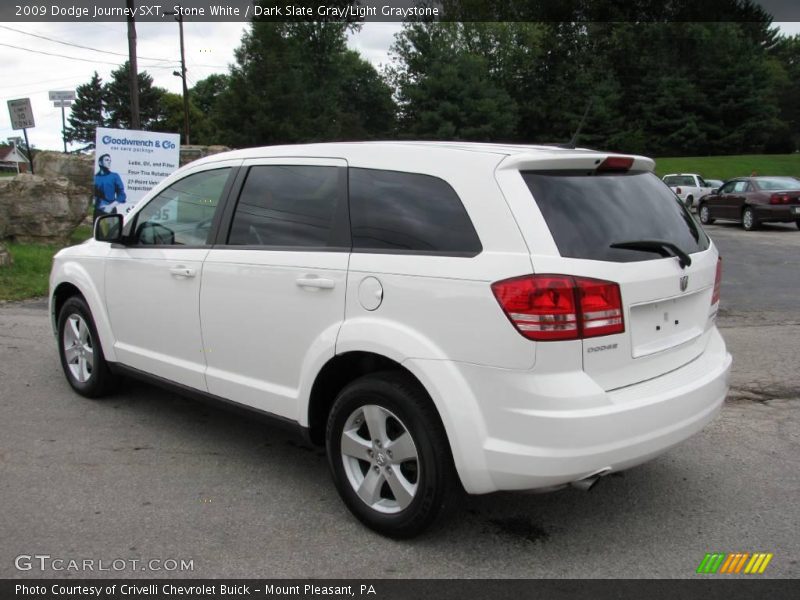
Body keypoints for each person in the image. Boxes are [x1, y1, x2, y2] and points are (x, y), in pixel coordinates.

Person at [93, 154, 126, 222]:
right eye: (106, 160)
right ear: (100, 162)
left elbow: (122, 194)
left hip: (110, 211)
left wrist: (110, 206)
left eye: (110, 160)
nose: (109, 162)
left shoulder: (114, 176)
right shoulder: (95, 178)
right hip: (97, 211)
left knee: (111, 232)